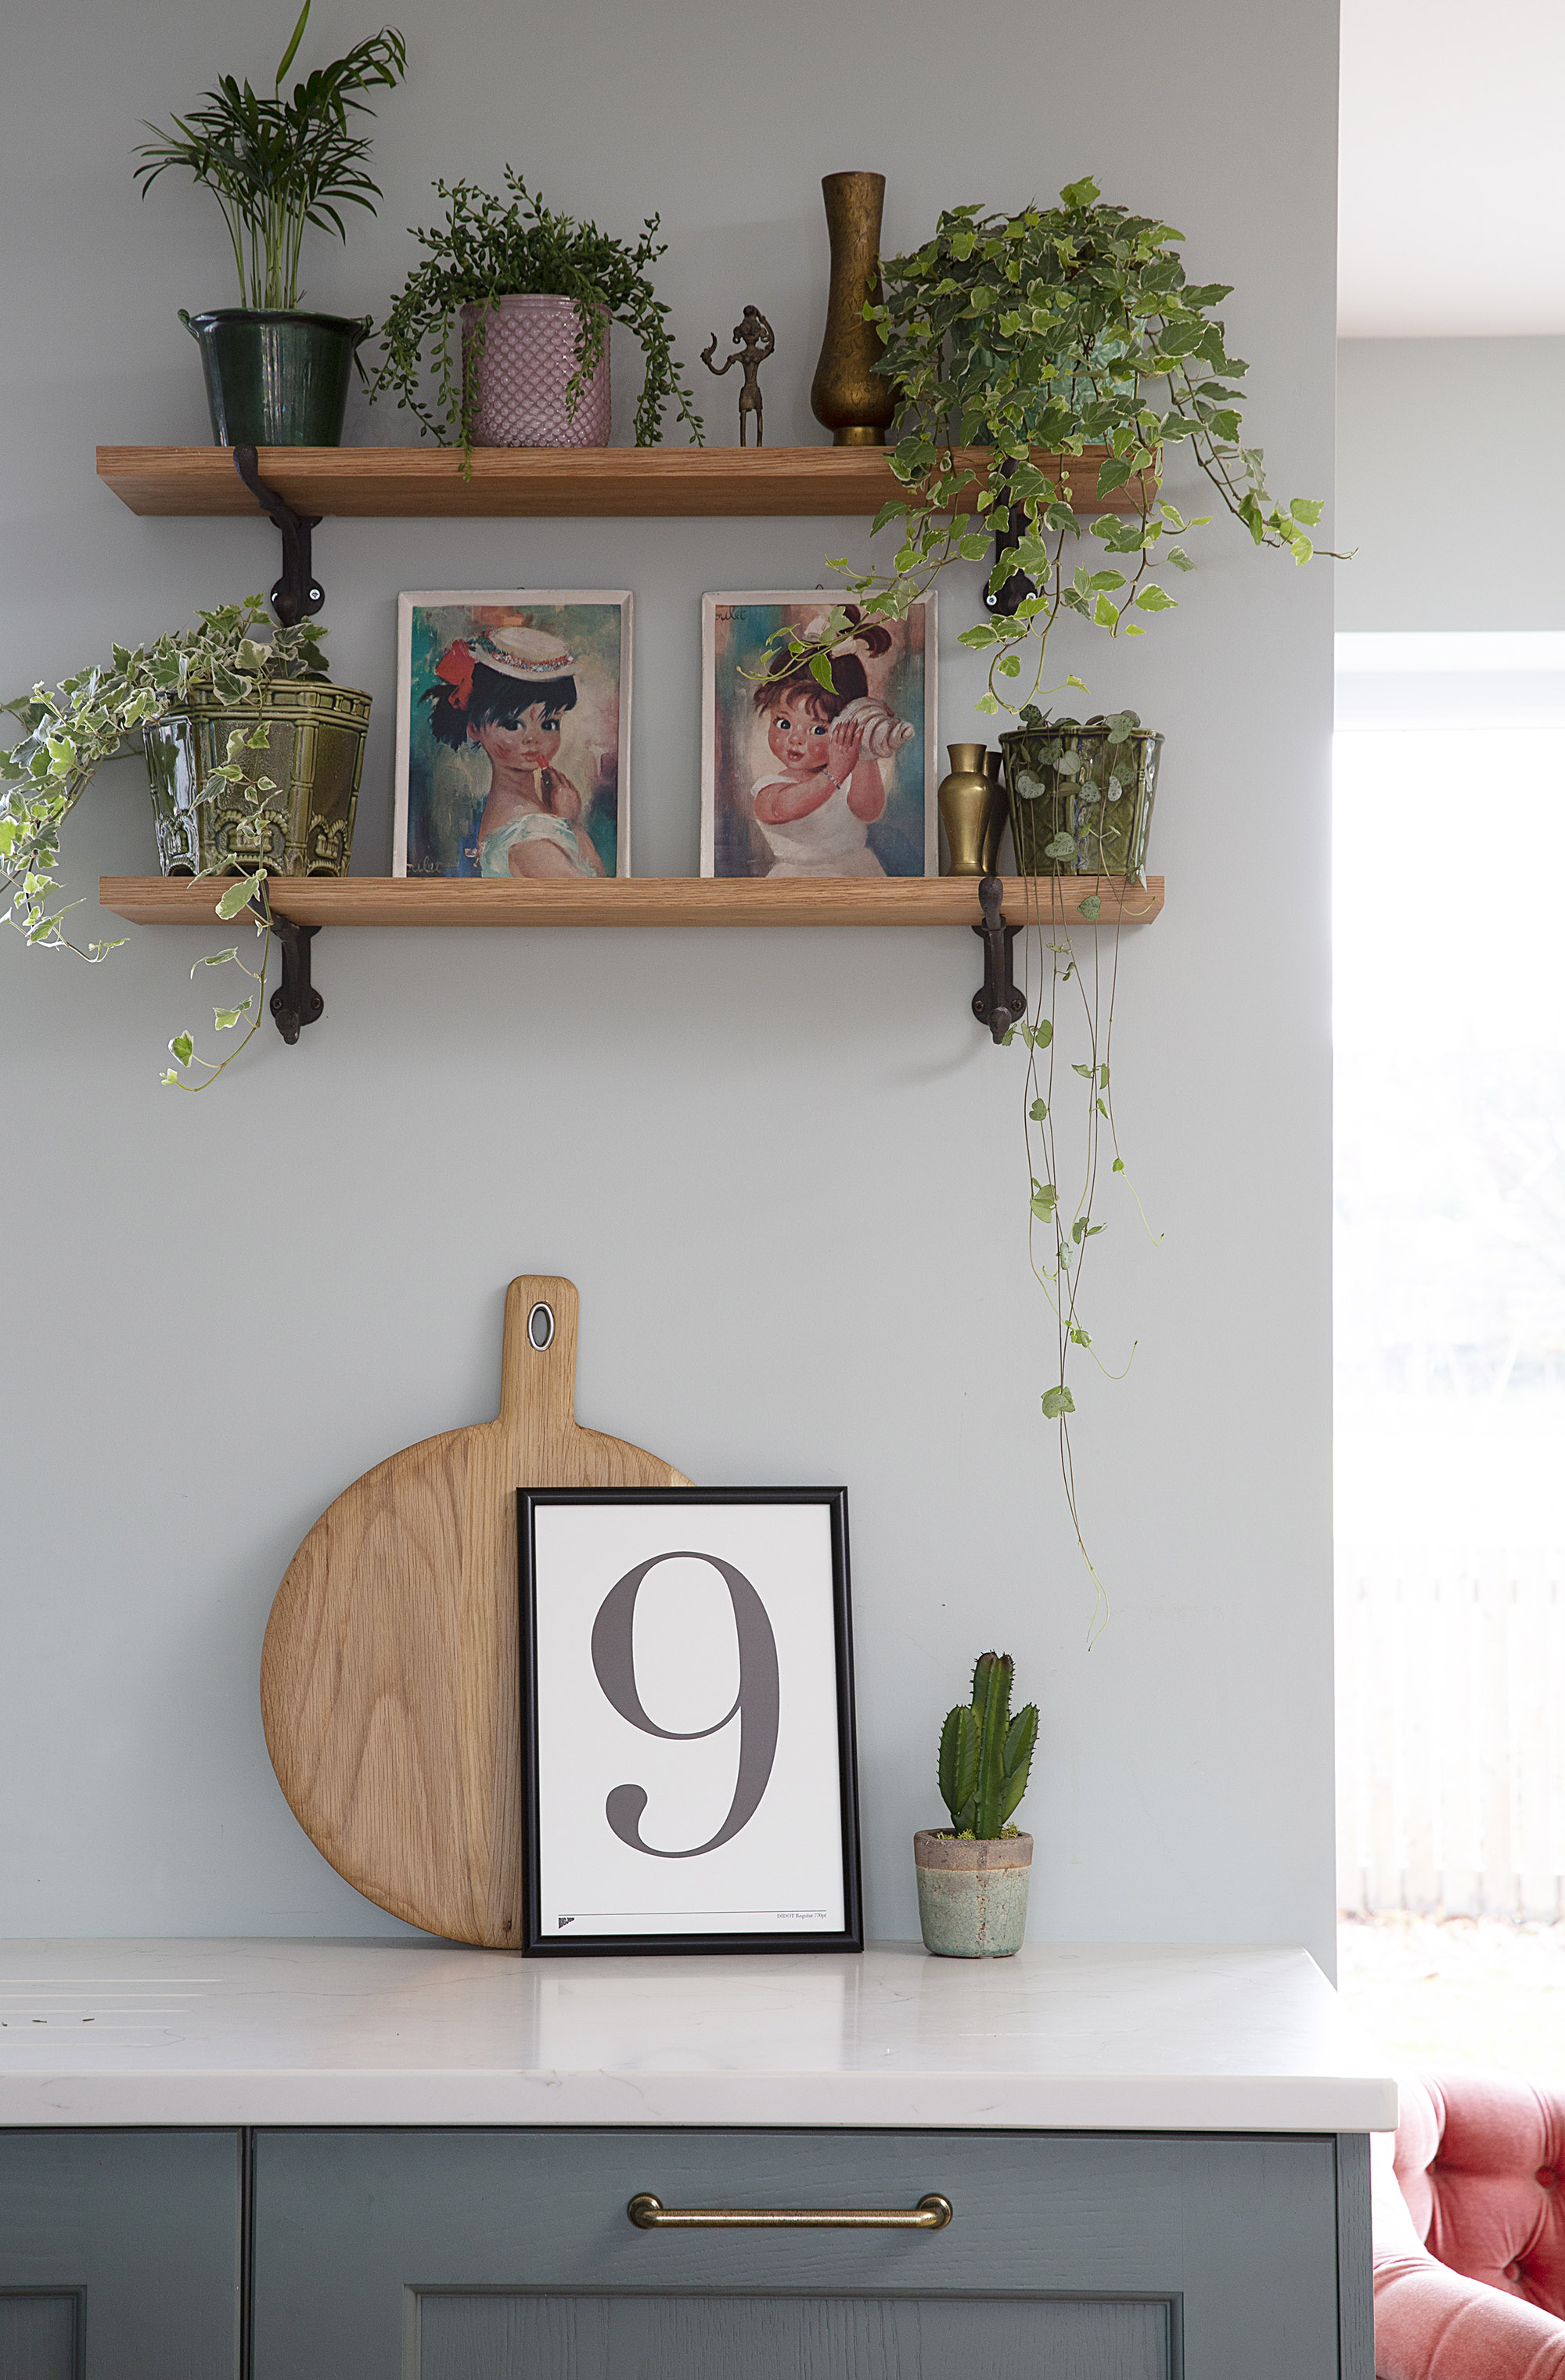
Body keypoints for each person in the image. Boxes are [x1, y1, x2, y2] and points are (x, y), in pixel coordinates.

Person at [425, 624, 606, 878]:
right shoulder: (529, 845)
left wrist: (571, 822)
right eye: (512, 725)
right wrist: (574, 825)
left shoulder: (525, 815)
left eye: (549, 724)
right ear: (474, 728)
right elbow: (596, 904)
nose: (534, 739)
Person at [748, 612, 908, 877]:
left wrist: (865, 749)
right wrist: (834, 773)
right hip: (797, 880)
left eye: (818, 729)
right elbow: (781, 807)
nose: (796, 739)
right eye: (784, 723)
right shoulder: (771, 787)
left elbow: (868, 811)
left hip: (858, 872)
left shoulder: (846, 779)